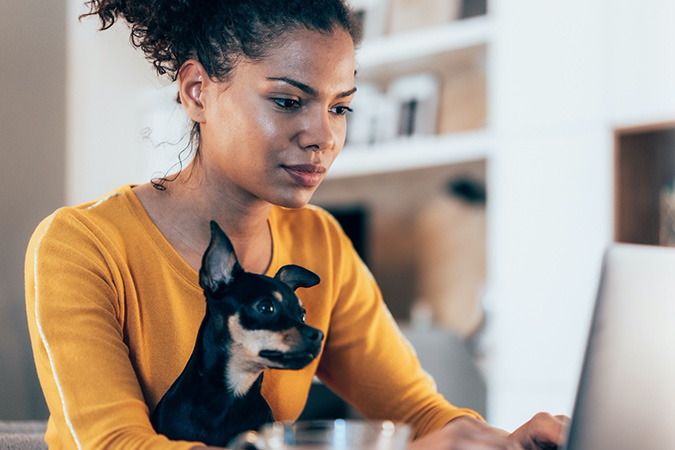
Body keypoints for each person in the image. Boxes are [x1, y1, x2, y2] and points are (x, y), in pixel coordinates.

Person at [24, 1, 568, 449]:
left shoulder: (321, 243)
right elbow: (113, 445)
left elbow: (419, 413)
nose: (323, 137)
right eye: (288, 101)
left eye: (340, 108)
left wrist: (505, 441)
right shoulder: (80, 247)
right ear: (197, 92)